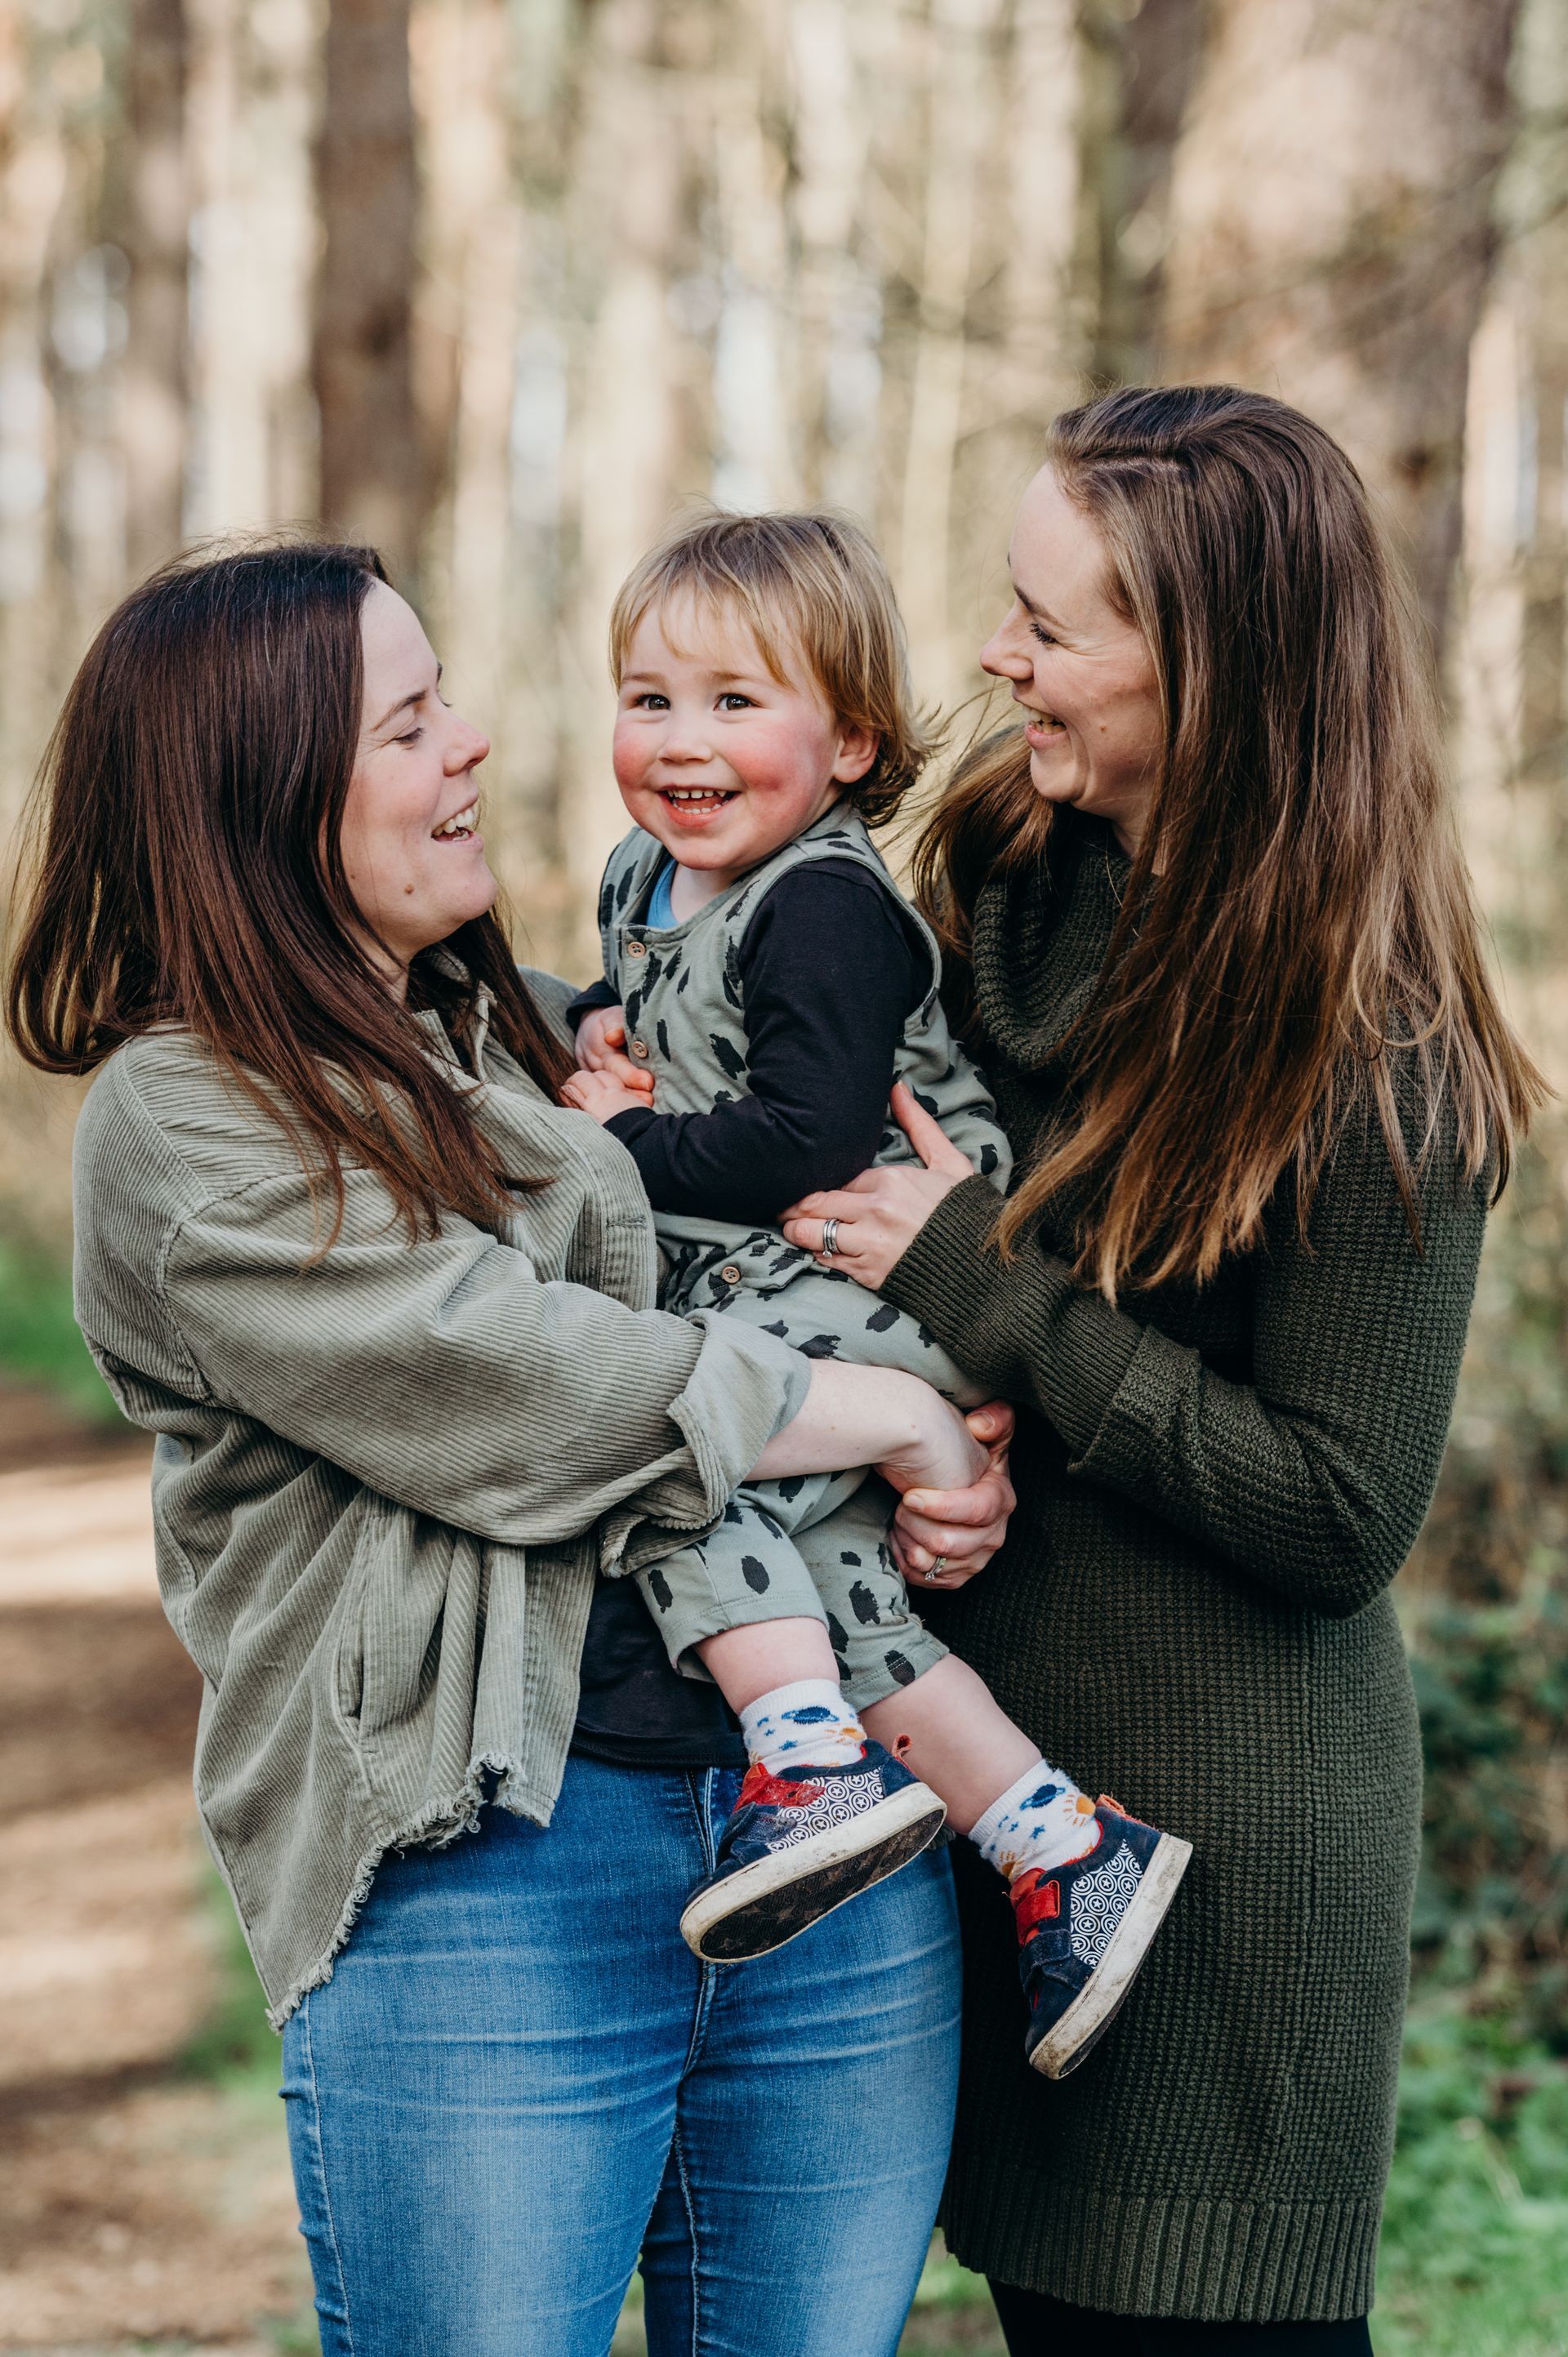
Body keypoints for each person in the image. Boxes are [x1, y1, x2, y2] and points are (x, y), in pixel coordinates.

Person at [3, 539, 1016, 2357]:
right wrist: (903, 1416)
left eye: (445, 701)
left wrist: (962, 1366)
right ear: (262, 803)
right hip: (492, 1871)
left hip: (836, 1831)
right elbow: (520, 1374)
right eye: (408, 725)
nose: (471, 742)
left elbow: (830, 1189)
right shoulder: (186, 1115)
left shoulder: (530, 1027)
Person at [778, 386, 1544, 2352]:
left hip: (1213, 1857)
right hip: (990, 1795)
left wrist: (987, 1288)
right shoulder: (997, 874)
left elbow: (1339, 1514)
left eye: (1051, 627)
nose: (994, 655)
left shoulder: (1377, 1047)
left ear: (1213, 675)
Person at [561, 508, 1188, 2070]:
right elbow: (649, 1006)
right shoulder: (647, 872)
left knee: (675, 1439)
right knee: (844, 1590)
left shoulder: (826, 906)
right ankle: (1058, 1843)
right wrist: (590, 1027)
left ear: (848, 742)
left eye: (735, 701)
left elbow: (806, 1134)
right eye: (649, 698)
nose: (683, 740)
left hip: (880, 1260)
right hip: (791, 1273)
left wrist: (614, 1144)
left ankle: (807, 1763)